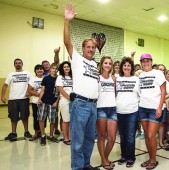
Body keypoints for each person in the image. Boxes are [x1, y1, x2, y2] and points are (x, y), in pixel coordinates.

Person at [64, 4, 99, 170]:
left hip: (93, 105)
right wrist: (67, 21)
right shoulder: (77, 58)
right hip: (80, 104)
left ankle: (85, 165)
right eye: (88, 47)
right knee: (77, 141)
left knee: (89, 139)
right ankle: (77, 168)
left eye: (93, 47)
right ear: (83, 48)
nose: (91, 49)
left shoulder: (94, 64)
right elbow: (67, 42)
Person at [139, 53, 166, 170]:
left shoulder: (158, 73)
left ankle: (154, 160)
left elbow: (163, 91)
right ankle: (150, 158)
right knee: (146, 136)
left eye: (147, 60)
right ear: (141, 63)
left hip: (154, 108)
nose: (145, 63)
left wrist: (160, 107)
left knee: (151, 135)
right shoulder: (140, 75)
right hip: (142, 108)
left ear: (151, 61)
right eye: (143, 61)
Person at [116, 57, 140, 167]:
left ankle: (131, 157)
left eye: (129, 65)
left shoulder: (136, 79)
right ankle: (124, 156)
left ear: (132, 67)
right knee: (122, 136)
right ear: (122, 67)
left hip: (132, 111)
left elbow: (140, 95)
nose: (126, 67)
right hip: (120, 111)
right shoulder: (117, 78)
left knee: (130, 136)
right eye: (124, 65)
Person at [1, 58, 33, 141]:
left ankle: (26, 131)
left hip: (24, 99)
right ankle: (13, 133)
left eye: (19, 63)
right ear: (14, 65)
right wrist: (3, 96)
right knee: (13, 117)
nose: (18, 64)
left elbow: (32, 85)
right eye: (16, 63)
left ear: (22, 64)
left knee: (25, 116)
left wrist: (30, 92)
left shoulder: (28, 74)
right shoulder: (10, 74)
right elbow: (5, 85)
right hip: (13, 99)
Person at [96, 56, 117, 170]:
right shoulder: (97, 78)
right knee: (102, 136)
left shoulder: (113, 79)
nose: (107, 65)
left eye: (109, 63)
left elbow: (114, 94)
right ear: (101, 64)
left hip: (112, 110)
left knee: (112, 138)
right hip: (101, 109)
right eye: (105, 63)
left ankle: (105, 158)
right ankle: (104, 160)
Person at [37, 63, 59, 145]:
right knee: (41, 119)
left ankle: (51, 135)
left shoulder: (59, 79)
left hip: (53, 102)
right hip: (44, 101)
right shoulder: (46, 78)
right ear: (50, 69)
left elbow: (59, 93)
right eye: (53, 68)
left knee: (52, 120)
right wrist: (39, 99)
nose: (54, 70)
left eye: (56, 68)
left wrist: (56, 102)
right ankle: (43, 135)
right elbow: (42, 90)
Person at [56, 61, 73, 145]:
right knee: (65, 120)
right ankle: (66, 138)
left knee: (71, 120)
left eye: (68, 66)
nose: (66, 68)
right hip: (65, 101)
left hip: (73, 102)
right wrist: (69, 97)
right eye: (65, 67)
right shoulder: (60, 77)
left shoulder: (73, 77)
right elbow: (60, 89)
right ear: (62, 68)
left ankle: (70, 137)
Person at [27, 64, 44, 141]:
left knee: (43, 118)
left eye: (41, 69)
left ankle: (42, 133)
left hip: (45, 102)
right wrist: (38, 94)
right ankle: (36, 133)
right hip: (35, 102)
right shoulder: (32, 79)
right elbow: (29, 90)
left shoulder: (46, 78)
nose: (39, 70)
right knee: (36, 118)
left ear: (43, 70)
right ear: (35, 71)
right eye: (38, 69)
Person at [157, 64, 168, 148]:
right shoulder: (153, 79)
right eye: (159, 69)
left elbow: (164, 95)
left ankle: (160, 141)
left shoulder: (166, 81)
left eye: (163, 70)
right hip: (153, 106)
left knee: (161, 124)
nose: (161, 71)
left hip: (163, 106)